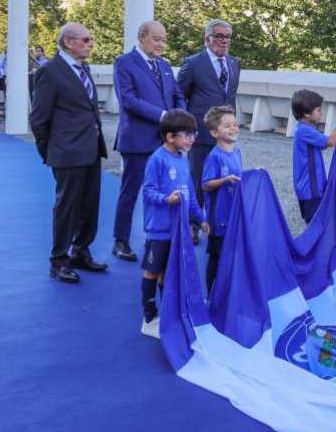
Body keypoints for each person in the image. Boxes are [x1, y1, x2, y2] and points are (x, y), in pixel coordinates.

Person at [28, 23, 109, 284]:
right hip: (67, 151)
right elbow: (39, 118)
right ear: (68, 42)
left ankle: (81, 251)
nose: (90, 43)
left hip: (91, 148)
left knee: (90, 205)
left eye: (90, 39)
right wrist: (50, 150)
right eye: (86, 39)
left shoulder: (83, 68)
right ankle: (59, 260)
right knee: (67, 207)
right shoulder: (50, 71)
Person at [111, 20, 187, 262]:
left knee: (166, 191)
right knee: (131, 191)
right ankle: (120, 240)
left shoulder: (164, 65)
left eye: (163, 39)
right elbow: (129, 100)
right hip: (137, 140)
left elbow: (177, 94)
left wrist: (179, 115)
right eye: (157, 39)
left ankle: (159, 236)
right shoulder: (124, 63)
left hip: (165, 142)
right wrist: (165, 116)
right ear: (142, 36)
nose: (161, 44)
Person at [139, 109, 209, 339]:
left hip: (177, 231)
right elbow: (148, 191)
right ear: (170, 136)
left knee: (167, 272)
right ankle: (149, 318)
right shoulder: (157, 159)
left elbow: (188, 193)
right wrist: (166, 199)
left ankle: (166, 313)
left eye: (194, 134)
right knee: (152, 271)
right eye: (187, 135)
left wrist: (201, 218)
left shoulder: (183, 161)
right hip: (159, 229)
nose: (192, 139)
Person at [177, 19, 239, 206]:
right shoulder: (193, 63)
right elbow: (179, 96)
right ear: (207, 39)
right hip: (201, 133)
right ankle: (193, 226)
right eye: (219, 36)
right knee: (199, 181)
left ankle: (218, 224)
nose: (224, 40)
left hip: (226, 135)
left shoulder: (235, 63)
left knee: (225, 179)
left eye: (227, 36)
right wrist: (186, 128)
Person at [290, 88, 336, 224]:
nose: (322, 113)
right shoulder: (304, 131)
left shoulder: (302, 128)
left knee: (314, 223)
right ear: (307, 113)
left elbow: (325, 143)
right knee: (316, 224)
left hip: (308, 188)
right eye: (319, 110)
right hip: (312, 189)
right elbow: (331, 142)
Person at [200, 105, 242, 294]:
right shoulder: (214, 157)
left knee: (233, 254)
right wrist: (225, 180)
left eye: (234, 124)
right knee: (217, 256)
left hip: (234, 214)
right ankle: (211, 292)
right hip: (218, 218)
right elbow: (206, 184)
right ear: (215, 132)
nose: (233, 128)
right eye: (227, 126)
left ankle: (229, 292)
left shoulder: (237, 152)